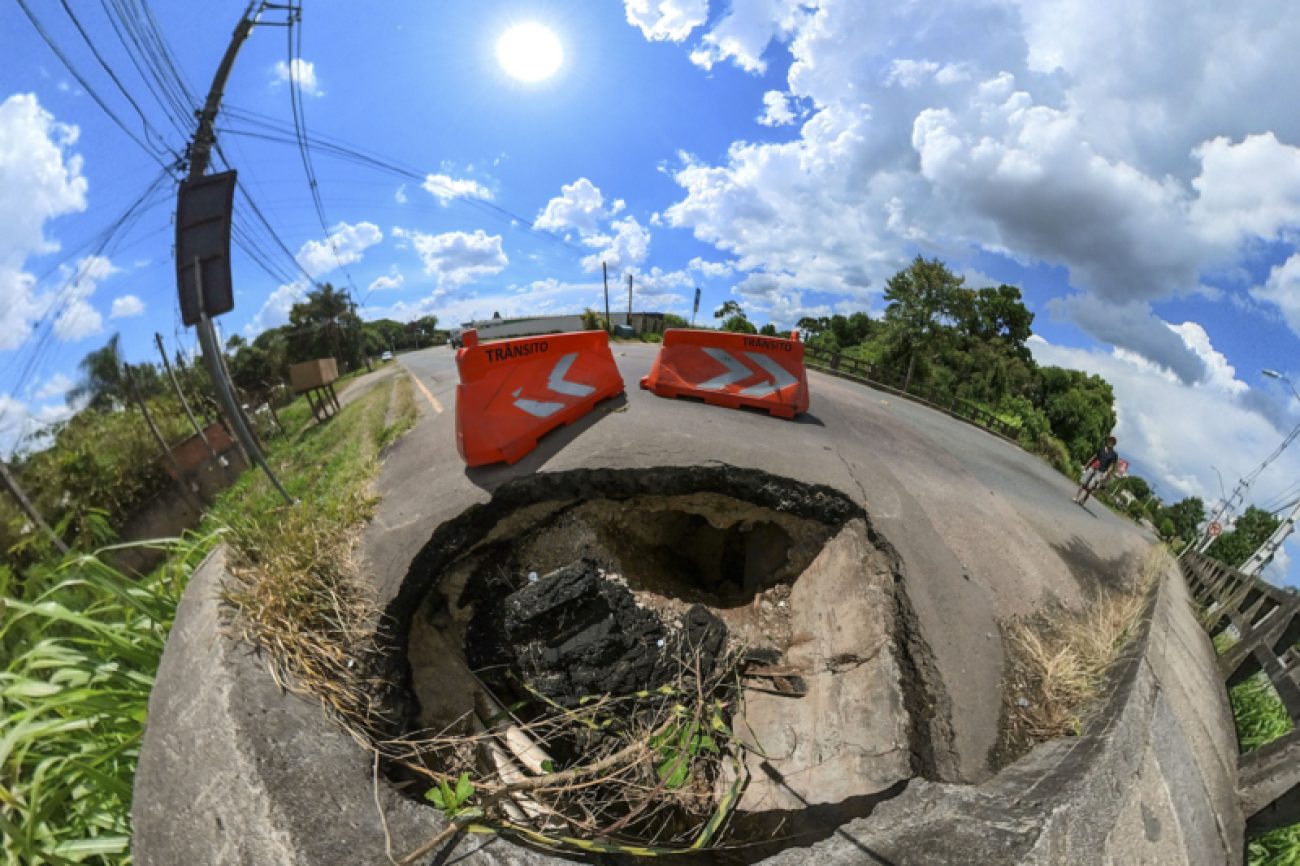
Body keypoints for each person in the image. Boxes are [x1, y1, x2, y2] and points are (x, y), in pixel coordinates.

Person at [1074, 436, 1119, 504]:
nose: (1111, 442)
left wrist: (1107, 473)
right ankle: (1076, 497)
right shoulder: (1101, 448)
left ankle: (1084, 498)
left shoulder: (1114, 454)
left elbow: (1111, 466)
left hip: (1101, 472)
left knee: (1090, 487)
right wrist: (1086, 466)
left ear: (1114, 444)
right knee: (1083, 483)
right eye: (1110, 440)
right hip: (1093, 467)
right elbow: (1094, 457)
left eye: (1113, 441)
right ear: (1108, 441)